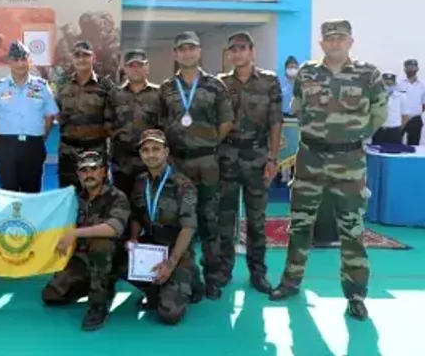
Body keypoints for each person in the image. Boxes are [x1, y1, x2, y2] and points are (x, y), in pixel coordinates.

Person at [270, 19, 388, 321]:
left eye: (341, 38)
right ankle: (290, 282)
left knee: (351, 229)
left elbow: (379, 114)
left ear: (350, 42)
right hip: (309, 159)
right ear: (322, 43)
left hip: (349, 163)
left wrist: (350, 137)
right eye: (330, 39)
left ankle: (356, 294)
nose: (335, 43)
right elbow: (298, 108)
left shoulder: (368, 74)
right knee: (300, 225)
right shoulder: (307, 73)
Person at [157, 31, 234, 300]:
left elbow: (226, 121)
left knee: (209, 221)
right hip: (177, 163)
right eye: (182, 49)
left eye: (192, 48)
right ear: (175, 54)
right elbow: (161, 123)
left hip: (208, 163)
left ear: (199, 52)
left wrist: (209, 142)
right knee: (180, 220)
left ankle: (213, 276)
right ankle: (185, 275)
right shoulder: (166, 88)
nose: (187, 53)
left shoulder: (215, 86)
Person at [217, 33, 282, 294]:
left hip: (256, 158)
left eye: (242, 48)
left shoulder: (269, 82)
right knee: (225, 218)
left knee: (256, 219)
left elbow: (275, 122)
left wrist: (273, 158)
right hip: (227, 157)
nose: (237, 53)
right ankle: (223, 269)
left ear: (252, 51)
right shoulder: (219, 83)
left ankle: (258, 272)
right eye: (232, 49)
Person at [41, 150, 130, 332]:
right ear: (78, 175)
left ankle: (98, 303)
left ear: (103, 172)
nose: (89, 174)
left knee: (101, 243)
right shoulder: (75, 199)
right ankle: (100, 284)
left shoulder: (116, 196)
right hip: (84, 258)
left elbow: (113, 229)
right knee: (51, 296)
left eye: (94, 169)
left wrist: (74, 233)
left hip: (115, 259)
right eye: (83, 170)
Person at [119, 129, 198, 325]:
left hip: (176, 251)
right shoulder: (140, 181)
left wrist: (171, 263)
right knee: (114, 258)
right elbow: (137, 215)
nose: (151, 154)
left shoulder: (183, 185)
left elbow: (188, 227)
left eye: (156, 149)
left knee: (169, 314)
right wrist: (135, 238)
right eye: (145, 150)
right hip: (151, 246)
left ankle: (191, 278)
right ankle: (154, 289)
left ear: (166, 152)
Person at [0, 41, 59, 192]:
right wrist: (3, 139)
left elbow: (49, 116)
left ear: (29, 60)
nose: (20, 64)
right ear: (9, 62)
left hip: (33, 145)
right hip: (6, 145)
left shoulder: (42, 86)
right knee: (7, 192)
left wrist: (39, 137)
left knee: (32, 191)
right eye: (15, 60)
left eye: (23, 59)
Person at [56, 40, 114, 190]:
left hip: (95, 151)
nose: (81, 59)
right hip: (67, 153)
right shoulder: (63, 85)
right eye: (77, 55)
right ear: (72, 58)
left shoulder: (106, 86)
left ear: (93, 58)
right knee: (67, 196)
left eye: (86, 55)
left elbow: (113, 119)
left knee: (96, 196)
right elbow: (56, 113)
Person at [109, 49, 161, 197]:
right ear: (125, 69)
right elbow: (107, 125)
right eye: (131, 65)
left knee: (149, 203)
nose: (136, 69)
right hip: (122, 163)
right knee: (121, 202)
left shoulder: (159, 94)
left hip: (150, 161)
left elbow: (165, 126)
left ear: (147, 67)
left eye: (140, 65)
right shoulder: (115, 95)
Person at [372, 73, 407, 145]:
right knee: (377, 153)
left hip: (394, 131)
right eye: (386, 84)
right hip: (379, 130)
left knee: (394, 154)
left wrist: (398, 129)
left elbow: (405, 116)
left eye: (390, 84)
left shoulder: (401, 97)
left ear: (395, 84)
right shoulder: (376, 96)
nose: (388, 86)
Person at [398, 59, 425, 145]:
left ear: (417, 69)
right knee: (396, 144)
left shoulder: (423, 85)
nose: (410, 69)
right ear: (404, 69)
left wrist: (415, 112)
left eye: (413, 67)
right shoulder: (398, 84)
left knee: (414, 146)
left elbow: (424, 103)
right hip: (399, 118)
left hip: (415, 119)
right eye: (408, 67)